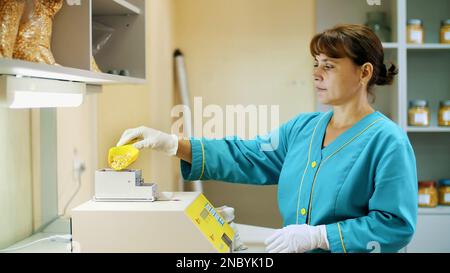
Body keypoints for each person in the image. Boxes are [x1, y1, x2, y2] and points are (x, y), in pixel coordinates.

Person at [116, 24, 418, 253]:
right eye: (315, 63)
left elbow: (395, 226)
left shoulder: (387, 141)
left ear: (364, 72)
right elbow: (247, 156)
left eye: (329, 66)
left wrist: (320, 236)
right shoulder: (303, 128)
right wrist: (171, 144)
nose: (316, 74)